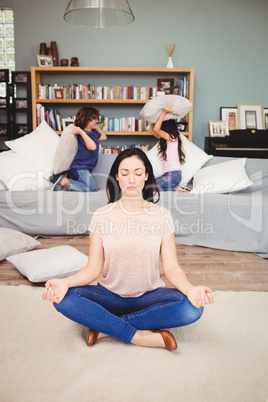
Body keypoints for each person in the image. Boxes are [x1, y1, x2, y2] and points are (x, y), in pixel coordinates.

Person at [43, 148, 214, 351]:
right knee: (63, 298)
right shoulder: (101, 215)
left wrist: (190, 289)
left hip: (150, 297)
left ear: (146, 176)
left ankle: (106, 327)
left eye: (138, 173)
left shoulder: (161, 215)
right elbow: (93, 268)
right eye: (125, 173)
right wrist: (65, 282)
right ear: (117, 176)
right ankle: (137, 335)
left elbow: (171, 267)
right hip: (109, 296)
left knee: (191, 309)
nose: (131, 179)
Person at [53, 106, 107, 192]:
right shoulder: (82, 134)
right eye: (95, 119)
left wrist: (96, 126)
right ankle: (64, 181)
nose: (97, 121)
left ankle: (70, 181)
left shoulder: (93, 133)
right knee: (92, 188)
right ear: (87, 119)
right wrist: (81, 132)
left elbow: (104, 137)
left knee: (89, 186)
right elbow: (92, 147)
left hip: (86, 168)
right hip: (79, 168)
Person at [149, 105, 188, 192]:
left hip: (174, 176)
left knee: (150, 188)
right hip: (168, 175)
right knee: (148, 185)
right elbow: (151, 130)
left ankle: (174, 189)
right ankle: (175, 189)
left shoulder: (172, 138)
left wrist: (164, 113)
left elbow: (156, 129)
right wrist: (155, 118)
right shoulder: (166, 139)